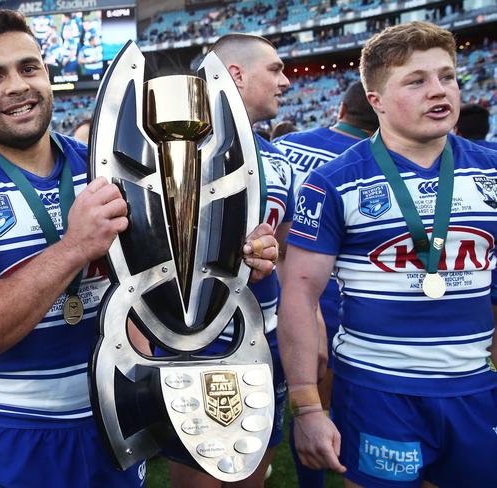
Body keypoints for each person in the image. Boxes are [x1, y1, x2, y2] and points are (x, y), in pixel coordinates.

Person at [0, 10, 279, 487]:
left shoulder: (111, 164)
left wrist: (236, 255)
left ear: (47, 74)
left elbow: (171, 273)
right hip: (16, 432)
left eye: (28, 68)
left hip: (119, 415)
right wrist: (73, 248)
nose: (17, 85)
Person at [278, 21, 497, 487]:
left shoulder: (491, 173)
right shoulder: (333, 182)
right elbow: (298, 294)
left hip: (474, 388)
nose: (439, 91)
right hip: (377, 391)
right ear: (374, 100)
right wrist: (308, 407)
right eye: (416, 81)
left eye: (447, 76)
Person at [161, 33, 294, 488]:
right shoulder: (172, 156)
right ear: (234, 74)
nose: (287, 81)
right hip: (198, 342)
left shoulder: (282, 162)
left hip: (267, 338)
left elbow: (286, 255)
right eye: (274, 69)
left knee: (252, 473)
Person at [273, 80, 378, 488]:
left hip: (279, 282)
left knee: (304, 399)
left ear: (339, 109)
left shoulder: (286, 146)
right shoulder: (373, 160)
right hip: (342, 292)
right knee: (336, 398)